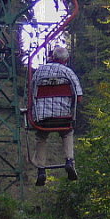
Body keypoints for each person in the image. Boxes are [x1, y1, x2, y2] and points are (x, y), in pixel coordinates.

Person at [31, 44, 83, 186]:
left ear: (52, 57)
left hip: (42, 118)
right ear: (66, 60)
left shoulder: (39, 72)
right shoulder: (68, 73)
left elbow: (31, 94)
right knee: (67, 133)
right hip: (63, 117)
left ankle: (41, 170)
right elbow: (79, 97)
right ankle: (69, 161)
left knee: (41, 137)